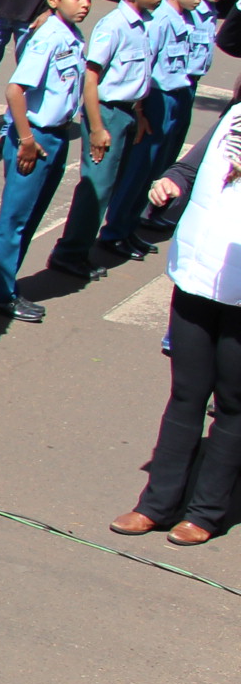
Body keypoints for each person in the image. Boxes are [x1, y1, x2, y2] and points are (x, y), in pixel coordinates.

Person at [112, 99, 241, 545]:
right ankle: (156, 505)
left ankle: (206, 512)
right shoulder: (233, 117)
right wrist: (169, 182)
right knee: (185, 394)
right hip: (197, 278)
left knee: (232, 404)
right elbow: (190, 169)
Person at [0, 0, 96, 323]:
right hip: (37, 137)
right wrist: (27, 140)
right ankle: (0, 292)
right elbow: (15, 90)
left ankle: (8, 285)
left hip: (57, 135)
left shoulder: (71, 35)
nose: (85, 4)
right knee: (15, 219)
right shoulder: (48, 38)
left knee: (31, 216)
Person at [53, 0, 159, 277]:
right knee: (96, 189)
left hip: (126, 113)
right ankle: (69, 253)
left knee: (110, 186)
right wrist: (97, 127)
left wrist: (138, 113)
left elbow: (137, 76)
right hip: (107, 114)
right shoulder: (113, 26)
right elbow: (91, 78)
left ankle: (82, 249)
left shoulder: (144, 23)